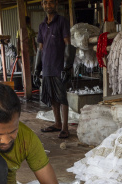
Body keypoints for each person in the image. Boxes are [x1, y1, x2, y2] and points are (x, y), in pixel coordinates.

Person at [35, 0, 76, 139]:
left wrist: (67, 65)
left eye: (51, 2)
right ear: (42, 5)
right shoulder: (41, 26)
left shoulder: (61, 21)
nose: (48, 5)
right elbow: (40, 49)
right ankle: (57, 123)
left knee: (62, 96)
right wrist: (36, 69)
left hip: (59, 65)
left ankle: (65, 127)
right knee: (52, 96)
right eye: (45, 3)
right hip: (47, 66)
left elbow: (68, 44)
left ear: (56, 4)